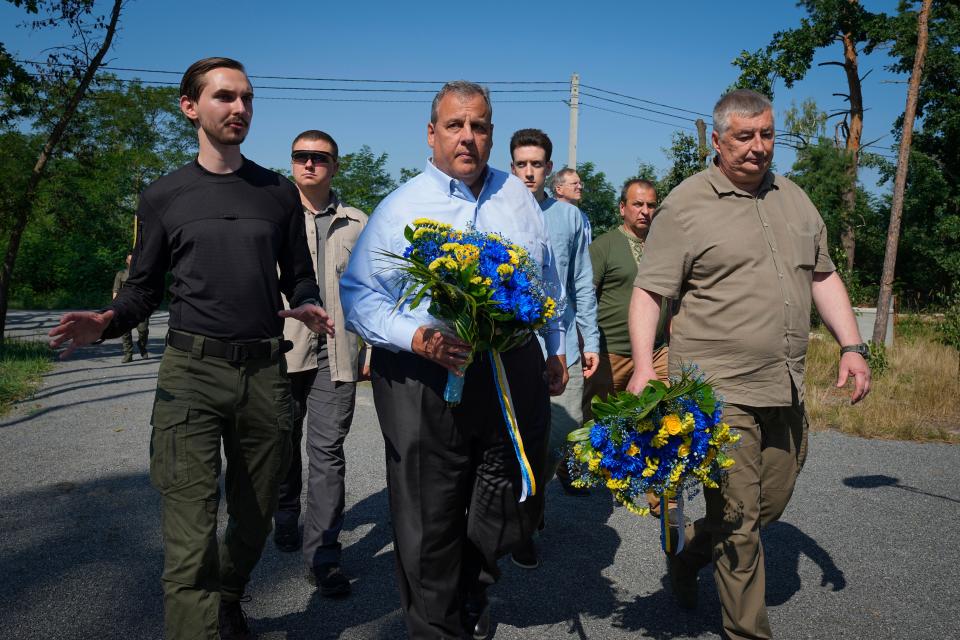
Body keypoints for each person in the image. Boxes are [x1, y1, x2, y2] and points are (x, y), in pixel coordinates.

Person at [48, 57, 334, 640]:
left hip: (264, 373)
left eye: (247, 99)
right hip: (191, 376)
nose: (240, 109)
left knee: (253, 524)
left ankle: (228, 597)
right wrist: (105, 321)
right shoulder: (163, 195)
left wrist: (305, 300)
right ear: (190, 106)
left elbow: (300, 274)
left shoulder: (277, 193)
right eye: (225, 97)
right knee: (188, 540)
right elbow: (142, 290)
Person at [626, 89, 871, 640]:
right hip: (715, 388)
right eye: (745, 137)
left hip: (783, 383)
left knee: (767, 506)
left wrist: (853, 347)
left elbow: (823, 275)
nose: (759, 148)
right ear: (717, 141)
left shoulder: (796, 200)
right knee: (739, 523)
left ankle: (688, 556)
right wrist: (645, 367)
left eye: (767, 135)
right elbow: (649, 292)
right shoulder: (686, 206)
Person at [340, 81, 568, 640]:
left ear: (491, 133)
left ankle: (471, 590)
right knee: (430, 517)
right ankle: (437, 627)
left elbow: (547, 280)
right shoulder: (402, 206)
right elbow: (357, 295)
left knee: (516, 491)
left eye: (480, 126)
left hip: (511, 365)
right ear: (432, 133)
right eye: (455, 125)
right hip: (424, 372)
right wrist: (416, 337)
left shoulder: (519, 198)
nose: (468, 137)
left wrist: (559, 347)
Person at [273, 129, 369, 599]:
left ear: (335, 165)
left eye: (320, 158)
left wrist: (368, 349)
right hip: (282, 354)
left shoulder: (358, 223)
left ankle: (323, 556)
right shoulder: (270, 215)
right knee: (282, 443)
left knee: (327, 456)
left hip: (338, 357)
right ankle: (286, 510)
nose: (309, 164)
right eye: (301, 157)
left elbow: (371, 293)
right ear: (291, 162)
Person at [508, 128, 599, 568]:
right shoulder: (497, 210)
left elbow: (582, 282)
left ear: (548, 168)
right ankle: (524, 522)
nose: (529, 172)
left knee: (562, 435)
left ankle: (532, 500)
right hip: (514, 345)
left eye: (537, 164)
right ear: (512, 167)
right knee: (517, 439)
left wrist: (591, 338)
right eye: (522, 164)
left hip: (563, 344)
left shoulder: (568, 217)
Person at [112, 253, 149, 363]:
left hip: (141, 306)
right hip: (125, 306)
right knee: (125, 332)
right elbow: (116, 290)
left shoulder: (143, 273)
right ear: (127, 262)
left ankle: (142, 346)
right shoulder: (121, 274)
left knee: (143, 330)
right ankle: (128, 353)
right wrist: (115, 306)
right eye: (130, 260)